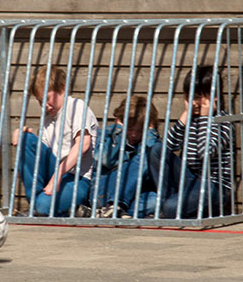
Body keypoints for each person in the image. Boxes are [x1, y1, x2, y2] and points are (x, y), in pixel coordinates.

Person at [11, 66, 99, 217]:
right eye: (39, 101)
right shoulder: (47, 120)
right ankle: (41, 205)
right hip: (55, 171)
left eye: (47, 98)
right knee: (26, 138)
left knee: (44, 206)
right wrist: (23, 136)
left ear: (62, 89)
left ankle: (43, 207)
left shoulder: (76, 107)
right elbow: (41, 157)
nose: (44, 105)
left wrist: (57, 175)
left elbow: (83, 144)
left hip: (77, 178)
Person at [148, 66, 234, 219]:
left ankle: (171, 208)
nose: (194, 102)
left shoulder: (223, 122)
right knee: (156, 149)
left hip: (212, 186)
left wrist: (204, 118)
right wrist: (185, 115)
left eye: (199, 97)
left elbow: (205, 152)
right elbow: (168, 147)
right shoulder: (191, 119)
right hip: (189, 179)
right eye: (190, 97)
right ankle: (167, 204)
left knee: (169, 209)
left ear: (213, 96)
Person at [89, 95, 161, 218]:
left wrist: (150, 134)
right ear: (121, 122)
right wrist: (119, 132)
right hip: (103, 193)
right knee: (144, 157)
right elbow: (107, 160)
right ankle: (114, 206)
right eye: (130, 128)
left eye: (140, 131)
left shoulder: (148, 142)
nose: (134, 134)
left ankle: (112, 212)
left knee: (156, 200)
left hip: (131, 197)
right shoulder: (108, 135)